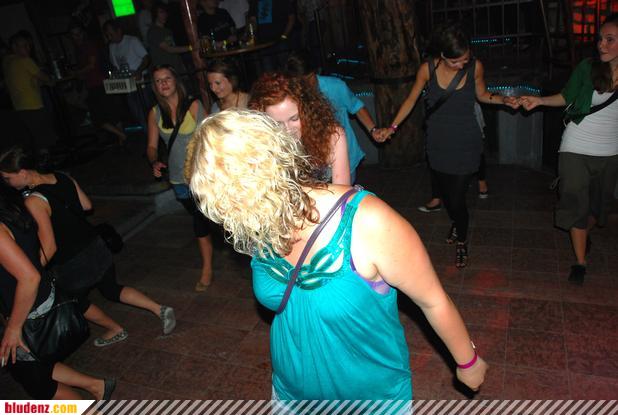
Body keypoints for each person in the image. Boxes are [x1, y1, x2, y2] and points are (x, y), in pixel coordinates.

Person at [186, 109, 488, 401]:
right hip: (290, 393)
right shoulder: (257, 219)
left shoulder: (367, 221)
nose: (229, 217)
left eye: (230, 201)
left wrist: (468, 362)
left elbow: (433, 300)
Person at [375, 22, 519, 268]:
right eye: (456, 61)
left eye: (465, 59)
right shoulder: (427, 69)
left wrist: (504, 100)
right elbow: (410, 100)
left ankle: (462, 240)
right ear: (442, 55)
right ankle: (457, 222)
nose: (462, 64)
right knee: (447, 194)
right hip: (438, 142)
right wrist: (392, 127)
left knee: (456, 198)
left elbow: (482, 95)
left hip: (466, 142)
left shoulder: (475, 67)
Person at [0, 147, 176, 346]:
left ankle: (115, 329)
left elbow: (50, 247)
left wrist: (34, 270)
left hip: (73, 260)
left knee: (74, 301)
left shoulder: (34, 201)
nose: (7, 183)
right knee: (111, 289)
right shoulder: (62, 176)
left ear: (23, 172)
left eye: (8, 178)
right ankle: (159, 308)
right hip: (95, 244)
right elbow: (87, 205)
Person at [517, 13, 618, 285]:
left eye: (610, 39)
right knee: (574, 202)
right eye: (600, 39)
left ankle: (583, 232)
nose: (602, 45)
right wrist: (539, 101)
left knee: (599, 207)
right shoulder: (588, 68)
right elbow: (566, 96)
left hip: (611, 153)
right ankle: (580, 261)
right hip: (576, 146)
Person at [0, 184, 115, 399]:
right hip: (35, 299)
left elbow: (29, 277)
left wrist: (14, 328)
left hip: (28, 311)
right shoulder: (12, 209)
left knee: (41, 388)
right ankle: (96, 386)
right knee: (37, 364)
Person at [147, 65, 214, 292]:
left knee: (200, 219)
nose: (164, 83)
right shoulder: (155, 113)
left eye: (167, 78)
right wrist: (154, 161)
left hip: (201, 176)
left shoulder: (194, 106)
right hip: (177, 179)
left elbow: (210, 138)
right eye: (158, 81)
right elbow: (151, 146)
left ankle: (207, 269)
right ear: (154, 87)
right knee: (199, 216)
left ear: (175, 80)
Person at [285, 50, 377, 182]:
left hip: (343, 155)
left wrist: (373, 130)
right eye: (300, 82)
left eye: (308, 79)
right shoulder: (291, 95)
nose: (305, 85)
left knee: (343, 192)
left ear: (316, 72)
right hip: (312, 162)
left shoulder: (335, 86)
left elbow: (356, 107)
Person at [249, 72, 350, 185]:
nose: (287, 129)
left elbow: (343, 190)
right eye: (278, 124)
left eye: (294, 118)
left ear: (307, 111)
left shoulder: (331, 135)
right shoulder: (262, 145)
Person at [2, 32, 58, 167]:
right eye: (24, 46)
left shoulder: (7, 62)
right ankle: (46, 164)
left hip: (19, 106)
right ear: (14, 47)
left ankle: (41, 163)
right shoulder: (25, 61)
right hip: (32, 104)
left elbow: (25, 80)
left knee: (34, 135)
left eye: (28, 45)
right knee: (42, 135)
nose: (28, 48)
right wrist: (51, 81)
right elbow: (43, 77)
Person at [69, 23, 127, 145]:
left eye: (79, 33)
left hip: (101, 83)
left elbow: (92, 65)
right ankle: (121, 137)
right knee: (104, 116)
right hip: (92, 85)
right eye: (74, 35)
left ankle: (121, 139)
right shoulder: (78, 50)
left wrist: (77, 73)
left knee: (106, 116)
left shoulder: (89, 45)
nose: (77, 37)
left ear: (83, 33)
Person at [103, 19, 151, 129]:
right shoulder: (112, 46)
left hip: (140, 82)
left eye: (111, 34)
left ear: (119, 31)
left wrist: (138, 71)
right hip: (128, 84)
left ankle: (154, 135)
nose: (109, 38)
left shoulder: (132, 41)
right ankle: (149, 134)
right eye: (107, 35)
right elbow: (116, 66)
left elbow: (146, 58)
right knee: (136, 113)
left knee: (147, 111)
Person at [148, 3, 191, 73]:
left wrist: (181, 65)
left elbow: (173, 47)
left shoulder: (167, 30)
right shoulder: (154, 31)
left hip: (176, 67)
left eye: (165, 12)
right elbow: (169, 49)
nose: (164, 14)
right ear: (155, 14)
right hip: (165, 70)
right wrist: (191, 47)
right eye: (161, 12)